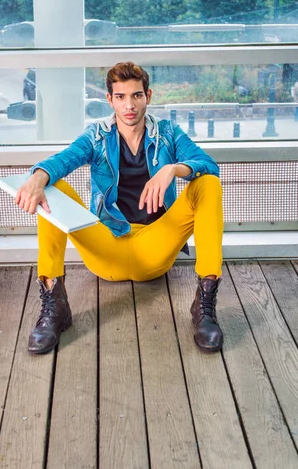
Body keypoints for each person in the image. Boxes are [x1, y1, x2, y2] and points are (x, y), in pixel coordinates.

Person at [16, 62, 224, 355]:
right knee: (53, 187)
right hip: (106, 249)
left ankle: (205, 304)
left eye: (136, 96)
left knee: (208, 184)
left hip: (154, 250)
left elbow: (209, 166)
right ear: (110, 99)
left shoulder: (168, 133)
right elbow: (64, 159)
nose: (129, 105)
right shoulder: (97, 136)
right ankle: (54, 303)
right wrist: (38, 178)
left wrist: (173, 170)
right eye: (121, 97)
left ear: (148, 96)